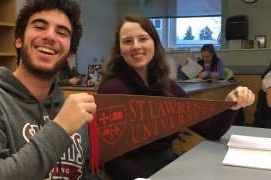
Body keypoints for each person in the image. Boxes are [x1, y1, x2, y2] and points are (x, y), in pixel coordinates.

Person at [0, 0, 101, 179]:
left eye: (61, 32)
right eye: (39, 26)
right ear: (19, 40)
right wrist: (60, 128)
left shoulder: (73, 110)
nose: (50, 36)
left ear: (69, 55)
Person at [97, 13, 255, 179]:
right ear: (119, 49)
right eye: (127, 41)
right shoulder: (111, 89)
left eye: (143, 38)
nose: (136, 46)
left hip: (168, 167)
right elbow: (112, 160)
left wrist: (231, 103)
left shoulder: (167, 86)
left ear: (154, 43)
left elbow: (211, 130)